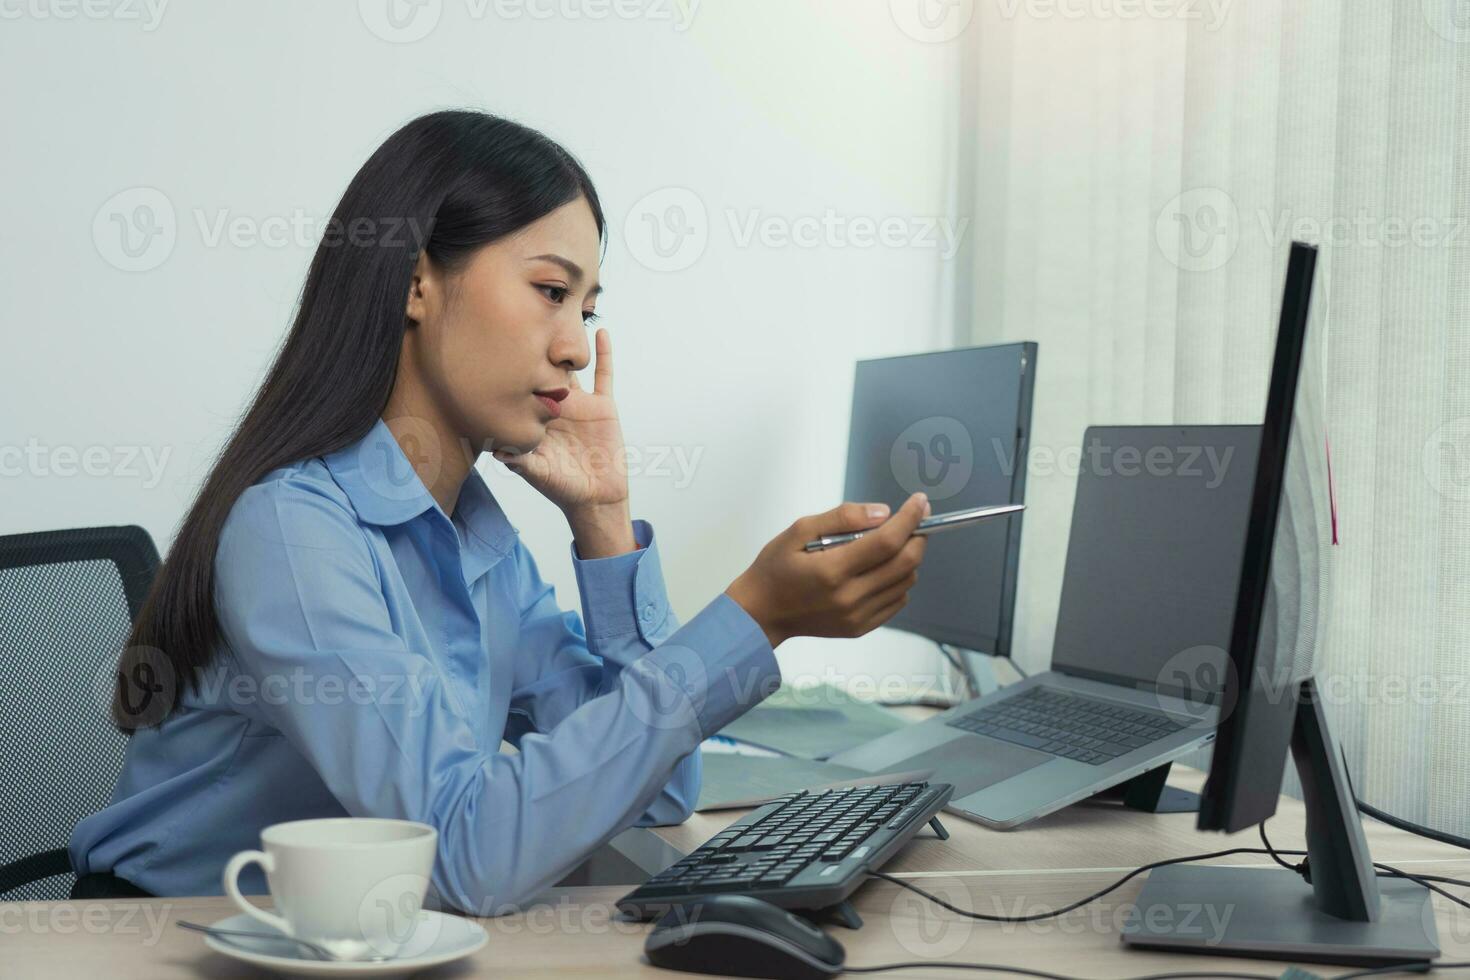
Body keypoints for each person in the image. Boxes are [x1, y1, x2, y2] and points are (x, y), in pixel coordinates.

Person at [69, 110, 931, 913]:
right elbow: (459, 853)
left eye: (589, 309)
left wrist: (604, 520)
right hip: (167, 941)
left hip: (340, 937)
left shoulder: (474, 534)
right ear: (416, 283)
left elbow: (661, 793)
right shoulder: (293, 531)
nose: (577, 344)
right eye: (552, 291)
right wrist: (755, 618)